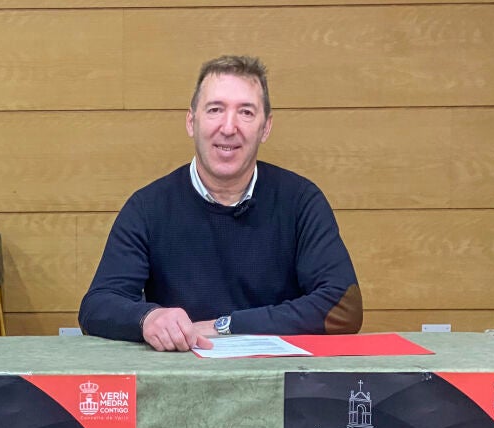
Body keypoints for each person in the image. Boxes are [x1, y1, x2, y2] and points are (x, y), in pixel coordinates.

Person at [78, 55, 362, 352]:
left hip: (279, 374)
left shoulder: (301, 201)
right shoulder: (148, 207)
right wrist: (147, 318)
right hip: (182, 374)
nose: (228, 127)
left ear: (265, 128)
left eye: (246, 112)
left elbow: (343, 307)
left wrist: (225, 326)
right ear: (192, 122)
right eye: (215, 110)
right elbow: (96, 306)